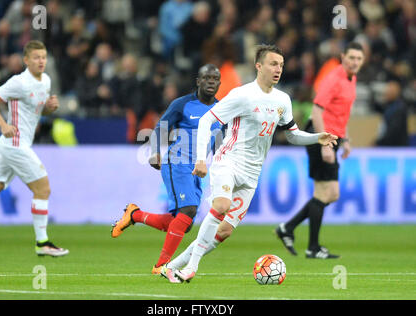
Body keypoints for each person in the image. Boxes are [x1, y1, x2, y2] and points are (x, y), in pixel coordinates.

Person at [161, 44, 338, 283]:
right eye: (273, 64)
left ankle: (171, 266)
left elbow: (293, 134)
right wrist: (202, 160)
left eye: (282, 65)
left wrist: (318, 137)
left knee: (224, 231)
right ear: (259, 66)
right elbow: (205, 121)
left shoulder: (282, 100)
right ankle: (192, 267)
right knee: (221, 206)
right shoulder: (241, 95)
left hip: (252, 173)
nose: (278, 69)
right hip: (229, 162)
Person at [110, 64, 223, 275]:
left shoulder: (221, 109)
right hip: (177, 162)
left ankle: (135, 215)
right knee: (188, 211)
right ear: (198, 81)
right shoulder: (182, 104)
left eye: (215, 79)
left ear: (219, 83)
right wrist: (154, 152)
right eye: (206, 78)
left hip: (198, 169)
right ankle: (162, 265)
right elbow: (161, 127)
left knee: (182, 223)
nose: (210, 82)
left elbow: (219, 143)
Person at [0, 40, 69, 257]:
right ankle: (42, 243)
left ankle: (43, 243)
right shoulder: (19, 82)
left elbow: (36, 112)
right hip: (15, 144)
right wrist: (3, 125)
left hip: (14, 146)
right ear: (26, 60)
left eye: (43, 57)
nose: (41, 61)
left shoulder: (46, 81)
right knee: (43, 188)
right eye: (36, 58)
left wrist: (48, 109)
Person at [275, 42, 365, 259]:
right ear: (343, 57)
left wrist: (347, 140)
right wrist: (324, 143)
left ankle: (289, 229)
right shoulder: (334, 79)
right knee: (326, 192)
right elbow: (317, 111)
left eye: (359, 59)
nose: (355, 62)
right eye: (351, 57)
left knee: (328, 193)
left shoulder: (351, 79)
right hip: (320, 134)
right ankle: (311, 246)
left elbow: (341, 113)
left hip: (333, 137)